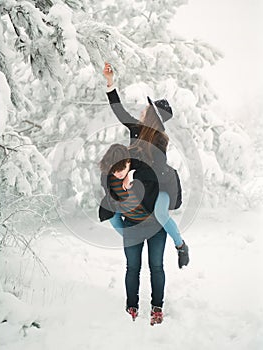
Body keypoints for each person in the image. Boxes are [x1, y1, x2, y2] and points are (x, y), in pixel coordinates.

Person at [102, 62, 189, 269]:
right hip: (138, 183)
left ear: (151, 116)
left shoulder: (160, 140)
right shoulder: (136, 130)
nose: (143, 110)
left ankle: (180, 246)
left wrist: (133, 173)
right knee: (111, 211)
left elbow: (155, 172)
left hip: (159, 185)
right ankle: (132, 237)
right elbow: (119, 111)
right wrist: (110, 83)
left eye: (147, 109)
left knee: (160, 213)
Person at [99, 143, 168, 325]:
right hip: (132, 226)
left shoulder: (142, 169)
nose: (118, 174)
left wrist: (133, 174)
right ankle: (132, 306)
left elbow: (156, 175)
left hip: (155, 226)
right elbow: (110, 195)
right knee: (132, 268)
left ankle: (157, 307)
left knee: (157, 267)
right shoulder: (108, 176)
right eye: (114, 171)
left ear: (129, 162)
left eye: (121, 169)